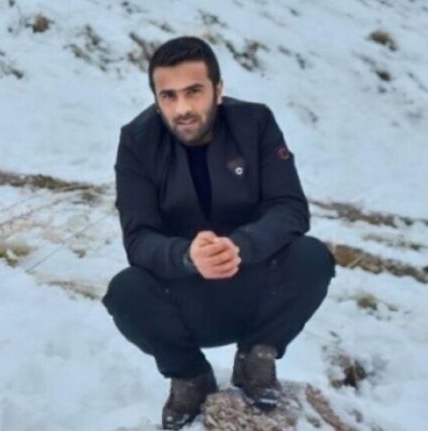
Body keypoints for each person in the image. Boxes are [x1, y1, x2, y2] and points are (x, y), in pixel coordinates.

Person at [102, 36, 336, 430]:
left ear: (218, 89)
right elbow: (139, 239)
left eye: (194, 91)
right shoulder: (137, 141)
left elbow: (290, 208)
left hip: (256, 286)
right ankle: (190, 375)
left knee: (312, 257)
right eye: (169, 96)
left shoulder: (255, 123)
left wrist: (241, 245)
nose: (182, 108)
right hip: (187, 297)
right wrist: (187, 256)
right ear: (156, 99)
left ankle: (256, 357)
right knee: (125, 292)